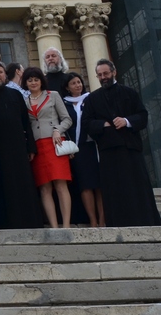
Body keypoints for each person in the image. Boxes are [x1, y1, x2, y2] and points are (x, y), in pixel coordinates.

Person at [82, 59, 161, 226]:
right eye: (99, 75)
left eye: (106, 73)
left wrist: (126, 121)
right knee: (114, 190)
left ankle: (145, 222)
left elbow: (142, 116)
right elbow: (86, 123)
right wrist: (102, 124)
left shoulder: (130, 93)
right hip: (108, 151)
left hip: (130, 149)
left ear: (114, 72)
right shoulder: (92, 99)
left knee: (137, 187)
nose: (103, 77)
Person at [0, 61, 42, 229]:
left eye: (0, 72)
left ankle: (28, 223)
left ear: (5, 75)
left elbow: (25, 122)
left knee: (21, 185)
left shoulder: (15, 95)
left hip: (17, 148)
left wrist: (30, 147)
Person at [23, 67, 73, 229]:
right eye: (30, 80)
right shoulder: (24, 101)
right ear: (25, 83)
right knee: (45, 188)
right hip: (38, 147)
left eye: (36, 79)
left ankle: (66, 226)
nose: (33, 83)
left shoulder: (53, 95)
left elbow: (67, 119)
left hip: (55, 143)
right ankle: (54, 227)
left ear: (41, 81)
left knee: (60, 185)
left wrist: (58, 129)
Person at [62, 72, 104, 227]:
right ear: (67, 87)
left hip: (93, 146)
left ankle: (102, 220)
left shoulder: (90, 99)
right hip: (77, 149)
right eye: (73, 83)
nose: (77, 85)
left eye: (79, 82)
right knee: (85, 185)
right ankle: (92, 220)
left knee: (99, 185)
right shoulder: (64, 104)